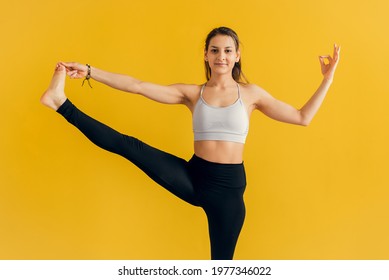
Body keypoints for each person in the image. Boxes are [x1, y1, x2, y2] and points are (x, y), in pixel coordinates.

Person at [40, 27, 340, 260]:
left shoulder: (252, 95)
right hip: (194, 177)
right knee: (129, 146)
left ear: (236, 56)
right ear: (206, 56)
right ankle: (60, 102)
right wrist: (91, 71)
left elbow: (302, 117)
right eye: (214, 50)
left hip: (228, 192)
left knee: (221, 266)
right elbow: (138, 86)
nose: (220, 56)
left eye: (227, 50)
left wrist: (327, 78)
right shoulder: (193, 93)